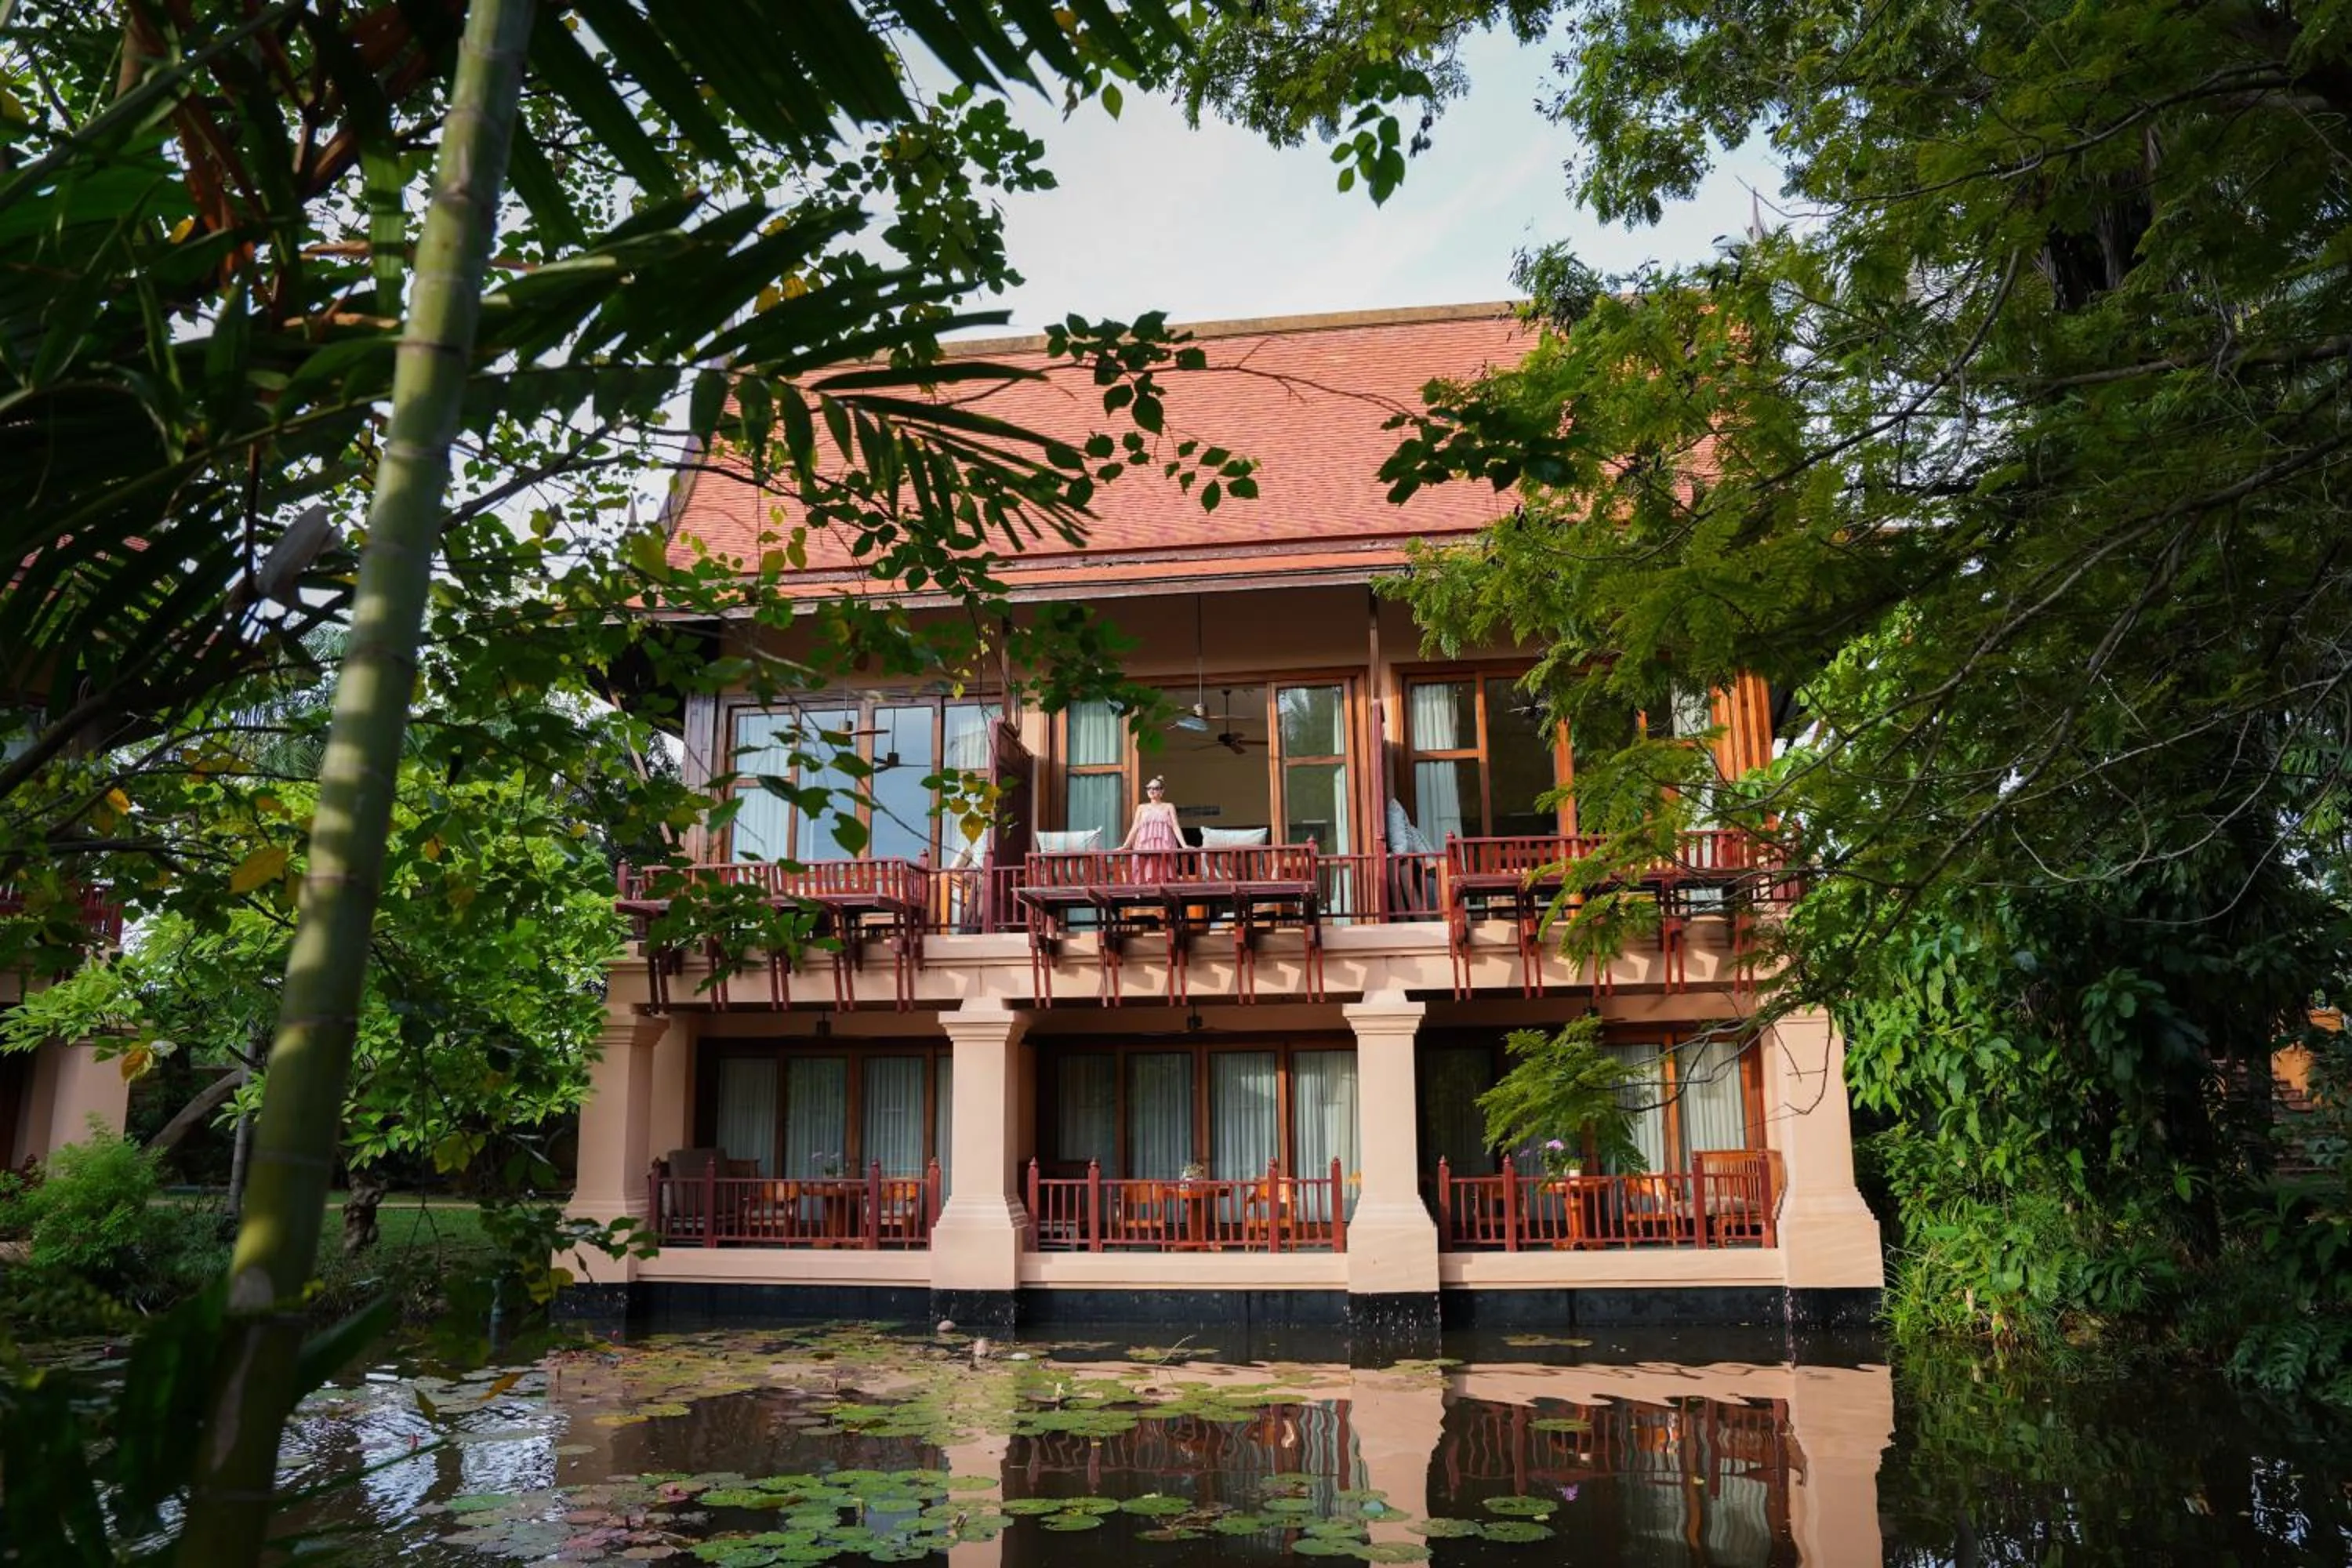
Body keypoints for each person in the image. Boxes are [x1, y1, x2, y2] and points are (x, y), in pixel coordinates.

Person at [1121, 775, 1186, 877]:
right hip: (1145, 844)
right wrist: (1126, 845)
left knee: (1164, 871)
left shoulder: (1169, 806)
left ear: (1162, 791)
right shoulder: (1141, 808)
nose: (1151, 791)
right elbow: (1135, 827)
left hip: (1164, 844)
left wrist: (1184, 846)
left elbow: (1175, 826)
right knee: (1145, 871)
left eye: (1155, 788)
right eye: (1149, 788)